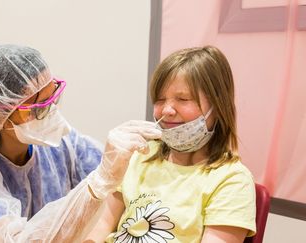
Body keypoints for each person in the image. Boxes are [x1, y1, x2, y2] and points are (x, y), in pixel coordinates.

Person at [0, 44, 162, 243]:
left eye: (53, 97)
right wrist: (99, 182)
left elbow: (123, 177)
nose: (51, 113)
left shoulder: (58, 143)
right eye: (39, 107)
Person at [85, 46, 256, 243]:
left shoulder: (232, 180)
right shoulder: (141, 155)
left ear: (217, 106)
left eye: (183, 99)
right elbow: (102, 225)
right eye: (160, 100)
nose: (166, 110)